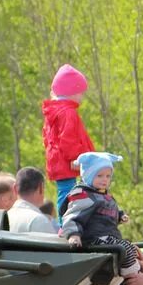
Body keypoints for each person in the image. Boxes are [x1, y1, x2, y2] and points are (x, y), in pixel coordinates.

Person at [61, 152, 142, 280]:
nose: (105, 179)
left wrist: (120, 216)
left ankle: (134, 278)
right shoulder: (84, 195)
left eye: (108, 176)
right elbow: (72, 215)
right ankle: (132, 281)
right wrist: (73, 235)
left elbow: (109, 212)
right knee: (125, 248)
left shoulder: (104, 196)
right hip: (93, 239)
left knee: (131, 248)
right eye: (99, 176)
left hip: (107, 237)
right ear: (88, 175)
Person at [41, 63, 95, 214]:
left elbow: (46, 138)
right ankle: (66, 223)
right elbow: (68, 141)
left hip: (58, 161)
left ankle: (67, 221)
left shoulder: (53, 112)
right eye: (80, 93)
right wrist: (80, 159)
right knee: (68, 193)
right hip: (68, 162)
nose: (82, 97)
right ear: (72, 92)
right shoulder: (68, 112)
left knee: (66, 191)